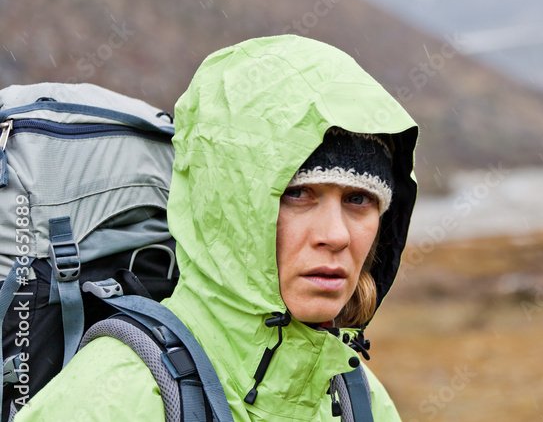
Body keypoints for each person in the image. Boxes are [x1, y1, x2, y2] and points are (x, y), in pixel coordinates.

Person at [18, 35, 419, 421]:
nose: (336, 236)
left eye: (358, 200)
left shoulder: (355, 398)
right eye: (298, 194)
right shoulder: (112, 398)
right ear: (227, 208)